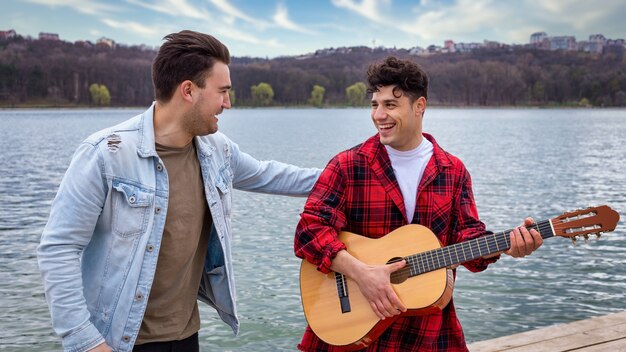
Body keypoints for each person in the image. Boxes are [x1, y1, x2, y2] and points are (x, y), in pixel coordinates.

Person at [37, 30, 320, 352]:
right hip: (116, 341)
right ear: (188, 90)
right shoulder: (105, 154)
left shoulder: (217, 151)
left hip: (185, 338)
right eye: (222, 91)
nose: (228, 103)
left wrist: (357, 170)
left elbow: (276, 176)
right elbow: (58, 248)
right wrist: (85, 341)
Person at [294, 56, 543, 351]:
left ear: (419, 106)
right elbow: (308, 232)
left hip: (425, 332)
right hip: (352, 329)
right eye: (375, 104)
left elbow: (468, 240)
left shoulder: (453, 171)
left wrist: (508, 245)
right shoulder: (348, 165)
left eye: (390, 105)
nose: (379, 115)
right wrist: (362, 273)